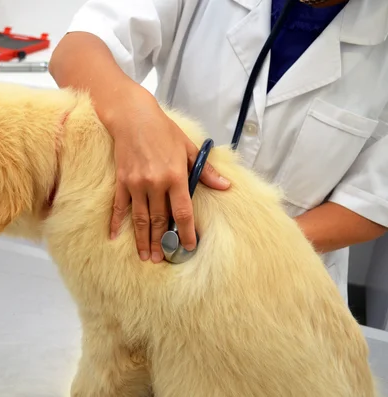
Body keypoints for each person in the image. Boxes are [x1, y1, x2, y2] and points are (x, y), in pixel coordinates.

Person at [48, 0, 388, 302]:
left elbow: (371, 202)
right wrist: (134, 115)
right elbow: (78, 48)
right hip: (149, 265)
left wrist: (251, 250)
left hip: (282, 287)